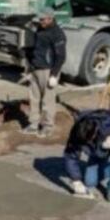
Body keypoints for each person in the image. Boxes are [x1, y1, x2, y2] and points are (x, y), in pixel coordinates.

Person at [24, 7, 67, 136]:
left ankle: (48, 126)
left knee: (47, 100)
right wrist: (29, 66)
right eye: (40, 19)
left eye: (43, 19)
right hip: (36, 68)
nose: (40, 21)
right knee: (34, 98)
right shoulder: (40, 29)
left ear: (50, 18)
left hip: (48, 70)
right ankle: (33, 124)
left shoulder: (57, 34)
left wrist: (54, 75)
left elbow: (61, 56)